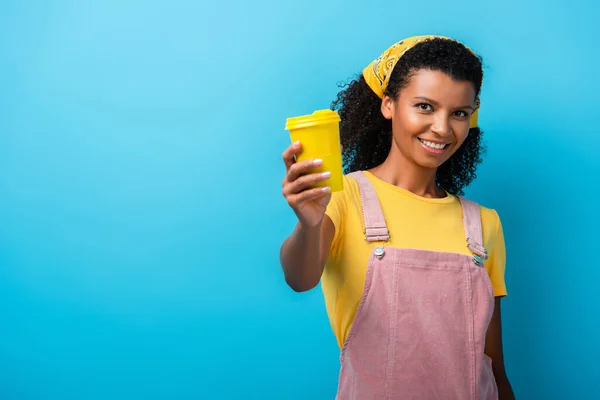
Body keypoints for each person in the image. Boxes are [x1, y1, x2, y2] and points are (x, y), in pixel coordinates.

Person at [280, 35, 515, 399]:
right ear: (388, 105)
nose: (441, 128)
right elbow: (299, 277)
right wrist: (309, 223)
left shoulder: (484, 224)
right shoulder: (345, 198)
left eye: (459, 113)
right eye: (424, 106)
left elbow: (492, 362)